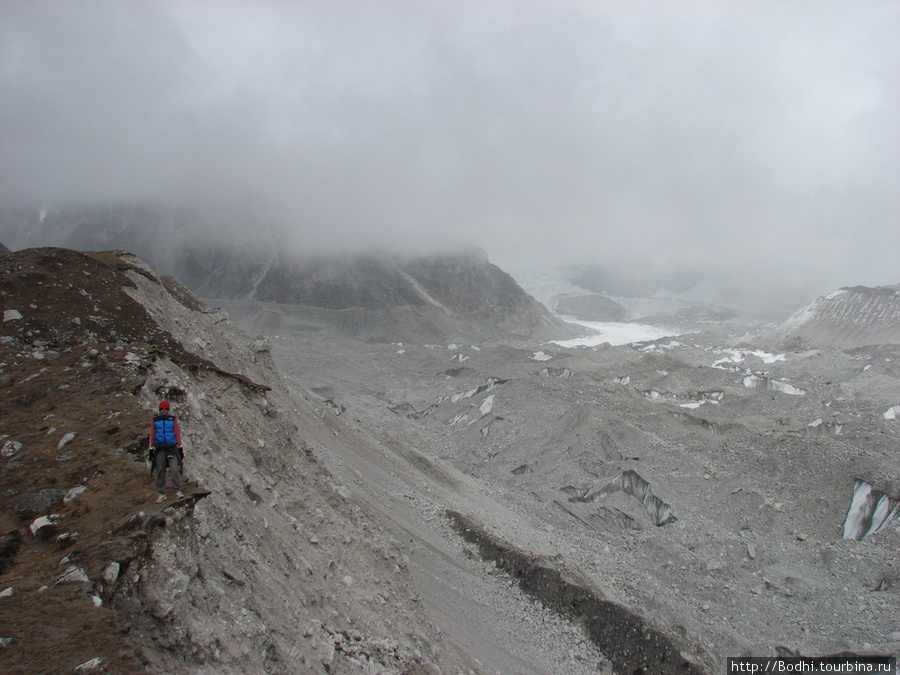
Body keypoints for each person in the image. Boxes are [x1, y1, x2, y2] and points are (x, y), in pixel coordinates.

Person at [149, 400, 184, 503]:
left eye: (165, 408)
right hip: (160, 448)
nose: (164, 410)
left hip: (171, 447)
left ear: (168, 409)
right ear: (159, 410)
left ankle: (178, 490)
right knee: (160, 470)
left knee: (174, 468)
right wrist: (151, 448)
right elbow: (152, 434)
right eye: (162, 409)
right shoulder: (155, 420)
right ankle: (161, 493)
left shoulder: (172, 420)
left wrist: (180, 446)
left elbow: (177, 433)